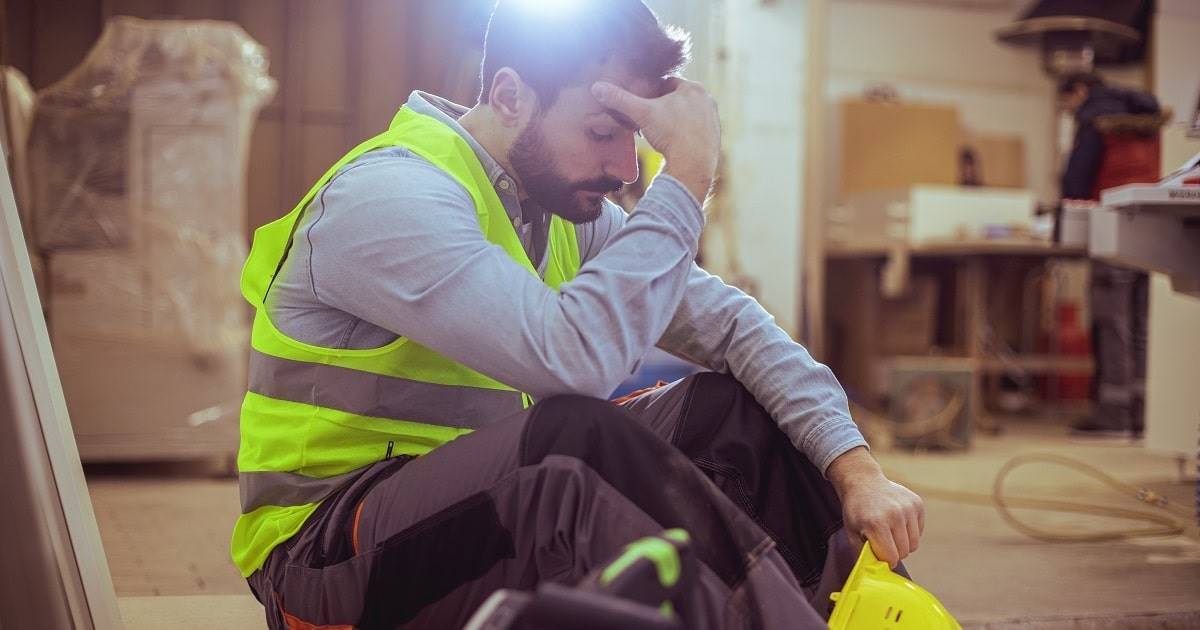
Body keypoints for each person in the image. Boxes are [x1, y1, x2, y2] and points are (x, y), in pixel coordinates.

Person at [233, 1, 924, 627]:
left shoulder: (555, 211)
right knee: (576, 440)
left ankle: (865, 609)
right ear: (509, 95)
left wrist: (858, 471)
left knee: (732, 413)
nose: (627, 166)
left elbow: (736, 328)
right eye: (604, 131)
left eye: (640, 139)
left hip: (474, 520)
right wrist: (683, 179)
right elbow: (570, 363)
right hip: (327, 564)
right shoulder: (390, 197)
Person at [1057, 72, 1161, 437]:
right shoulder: (1147, 121)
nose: (1068, 109)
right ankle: (1142, 416)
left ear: (1080, 90)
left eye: (1066, 101)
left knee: (1111, 324)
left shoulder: (1094, 118)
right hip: (1152, 232)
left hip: (1110, 228)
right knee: (1140, 328)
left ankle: (1113, 418)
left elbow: (1077, 179)